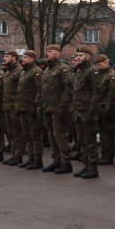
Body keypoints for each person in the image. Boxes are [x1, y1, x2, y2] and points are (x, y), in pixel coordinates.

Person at [40, 44, 75, 173]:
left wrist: (63, 107)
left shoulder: (63, 69)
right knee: (51, 135)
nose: (47, 53)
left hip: (59, 109)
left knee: (60, 136)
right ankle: (57, 160)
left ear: (58, 53)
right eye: (47, 51)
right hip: (48, 108)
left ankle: (66, 162)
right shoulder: (48, 70)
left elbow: (69, 88)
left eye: (50, 51)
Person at [71, 46, 100, 179]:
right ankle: (86, 165)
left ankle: (93, 168)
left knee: (90, 141)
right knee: (81, 141)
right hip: (78, 111)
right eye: (77, 55)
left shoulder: (92, 71)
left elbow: (96, 93)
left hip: (88, 112)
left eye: (81, 55)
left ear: (88, 56)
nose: (78, 57)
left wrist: (92, 113)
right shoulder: (79, 71)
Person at [17, 50, 44, 170]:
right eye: (23, 57)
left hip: (32, 108)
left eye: (26, 57)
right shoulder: (24, 71)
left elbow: (40, 90)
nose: (23, 59)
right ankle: (31, 157)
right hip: (23, 108)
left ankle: (37, 159)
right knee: (26, 134)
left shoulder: (37, 72)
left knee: (35, 135)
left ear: (32, 59)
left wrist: (36, 107)